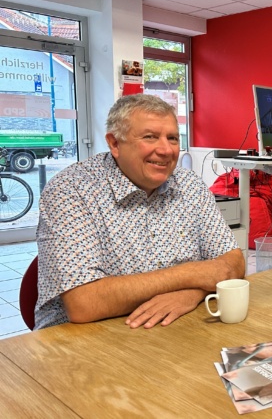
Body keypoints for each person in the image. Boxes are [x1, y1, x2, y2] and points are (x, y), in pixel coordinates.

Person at [35, 94, 244, 330]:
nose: (166, 150)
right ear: (115, 144)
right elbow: (84, 303)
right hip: (77, 341)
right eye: (150, 137)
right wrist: (194, 274)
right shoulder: (72, 189)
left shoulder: (189, 185)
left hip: (169, 330)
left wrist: (192, 293)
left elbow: (233, 263)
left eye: (173, 138)